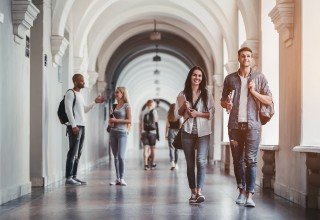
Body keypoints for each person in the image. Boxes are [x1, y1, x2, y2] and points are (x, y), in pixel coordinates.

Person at [220, 47, 273, 207]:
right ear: (239, 58)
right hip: (235, 125)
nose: (246, 58)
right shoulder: (230, 79)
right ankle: (241, 191)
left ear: (252, 59)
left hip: (253, 125)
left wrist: (254, 92)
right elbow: (222, 100)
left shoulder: (259, 78)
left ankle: (250, 195)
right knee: (237, 160)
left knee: (250, 160)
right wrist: (226, 104)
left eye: (249, 56)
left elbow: (269, 100)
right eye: (243, 56)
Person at [175, 66, 215, 204]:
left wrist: (197, 114)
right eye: (194, 75)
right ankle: (193, 192)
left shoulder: (207, 94)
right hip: (187, 131)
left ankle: (199, 191)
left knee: (201, 161)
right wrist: (183, 106)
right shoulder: (182, 94)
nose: (197, 78)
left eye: (199, 76)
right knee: (190, 163)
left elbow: (211, 113)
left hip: (203, 132)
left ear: (202, 79)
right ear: (190, 77)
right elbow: (177, 114)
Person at [64, 73, 105, 186]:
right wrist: (73, 126)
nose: (84, 82)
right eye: (82, 81)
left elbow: (85, 110)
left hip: (82, 125)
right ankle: (68, 177)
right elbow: (68, 110)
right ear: (75, 81)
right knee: (72, 151)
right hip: (75, 126)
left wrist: (94, 102)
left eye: (84, 80)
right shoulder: (70, 93)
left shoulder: (80, 95)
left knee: (79, 152)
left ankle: (74, 176)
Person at [108, 87, 132, 186]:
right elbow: (111, 121)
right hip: (113, 132)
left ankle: (122, 178)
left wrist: (116, 120)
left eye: (117, 92)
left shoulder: (127, 106)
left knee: (121, 156)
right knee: (116, 157)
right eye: (115, 92)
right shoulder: (113, 106)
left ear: (122, 94)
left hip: (122, 133)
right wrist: (111, 122)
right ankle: (117, 178)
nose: (116, 94)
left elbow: (129, 120)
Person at [140, 99, 158, 170]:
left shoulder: (143, 112)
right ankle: (152, 164)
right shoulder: (154, 111)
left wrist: (140, 133)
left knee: (145, 149)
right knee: (152, 149)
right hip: (153, 132)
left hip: (144, 132)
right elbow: (156, 121)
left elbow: (140, 124)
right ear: (152, 104)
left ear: (147, 104)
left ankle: (145, 165)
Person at [165, 103, 181, 170]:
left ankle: (172, 163)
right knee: (176, 148)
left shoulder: (169, 115)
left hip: (171, 131)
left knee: (171, 148)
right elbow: (181, 124)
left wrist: (166, 133)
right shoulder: (179, 114)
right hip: (177, 131)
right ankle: (176, 164)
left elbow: (167, 125)